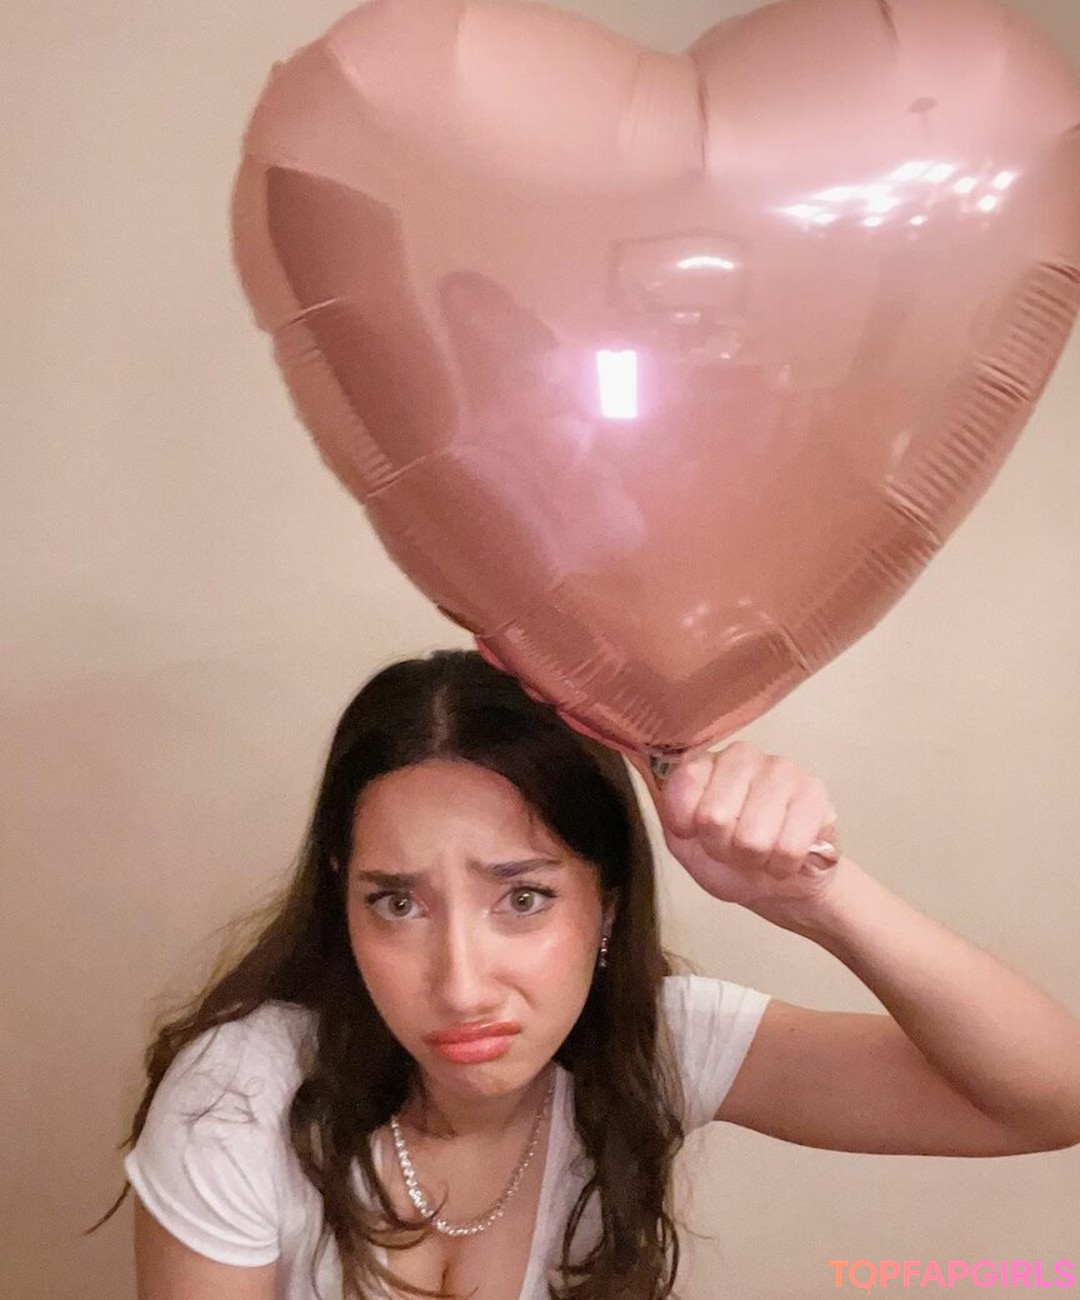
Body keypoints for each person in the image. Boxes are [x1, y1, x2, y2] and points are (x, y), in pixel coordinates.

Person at [91, 648, 1080, 1300]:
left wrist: (817, 894)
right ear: (342, 903)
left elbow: (1050, 1098)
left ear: (605, 905)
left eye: (522, 897)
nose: (462, 984)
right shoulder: (241, 1098)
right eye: (397, 903)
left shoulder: (660, 1040)